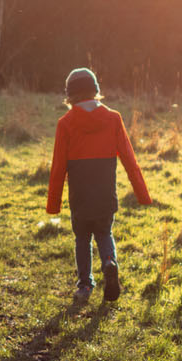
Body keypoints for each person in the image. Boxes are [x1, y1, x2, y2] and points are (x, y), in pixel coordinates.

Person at [46, 67, 152, 303]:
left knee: (82, 239)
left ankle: (85, 285)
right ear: (95, 90)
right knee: (104, 233)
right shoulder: (113, 118)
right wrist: (142, 195)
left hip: (80, 197)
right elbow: (130, 160)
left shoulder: (65, 123)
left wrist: (54, 204)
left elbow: (58, 168)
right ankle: (109, 262)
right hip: (105, 194)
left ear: (70, 95)